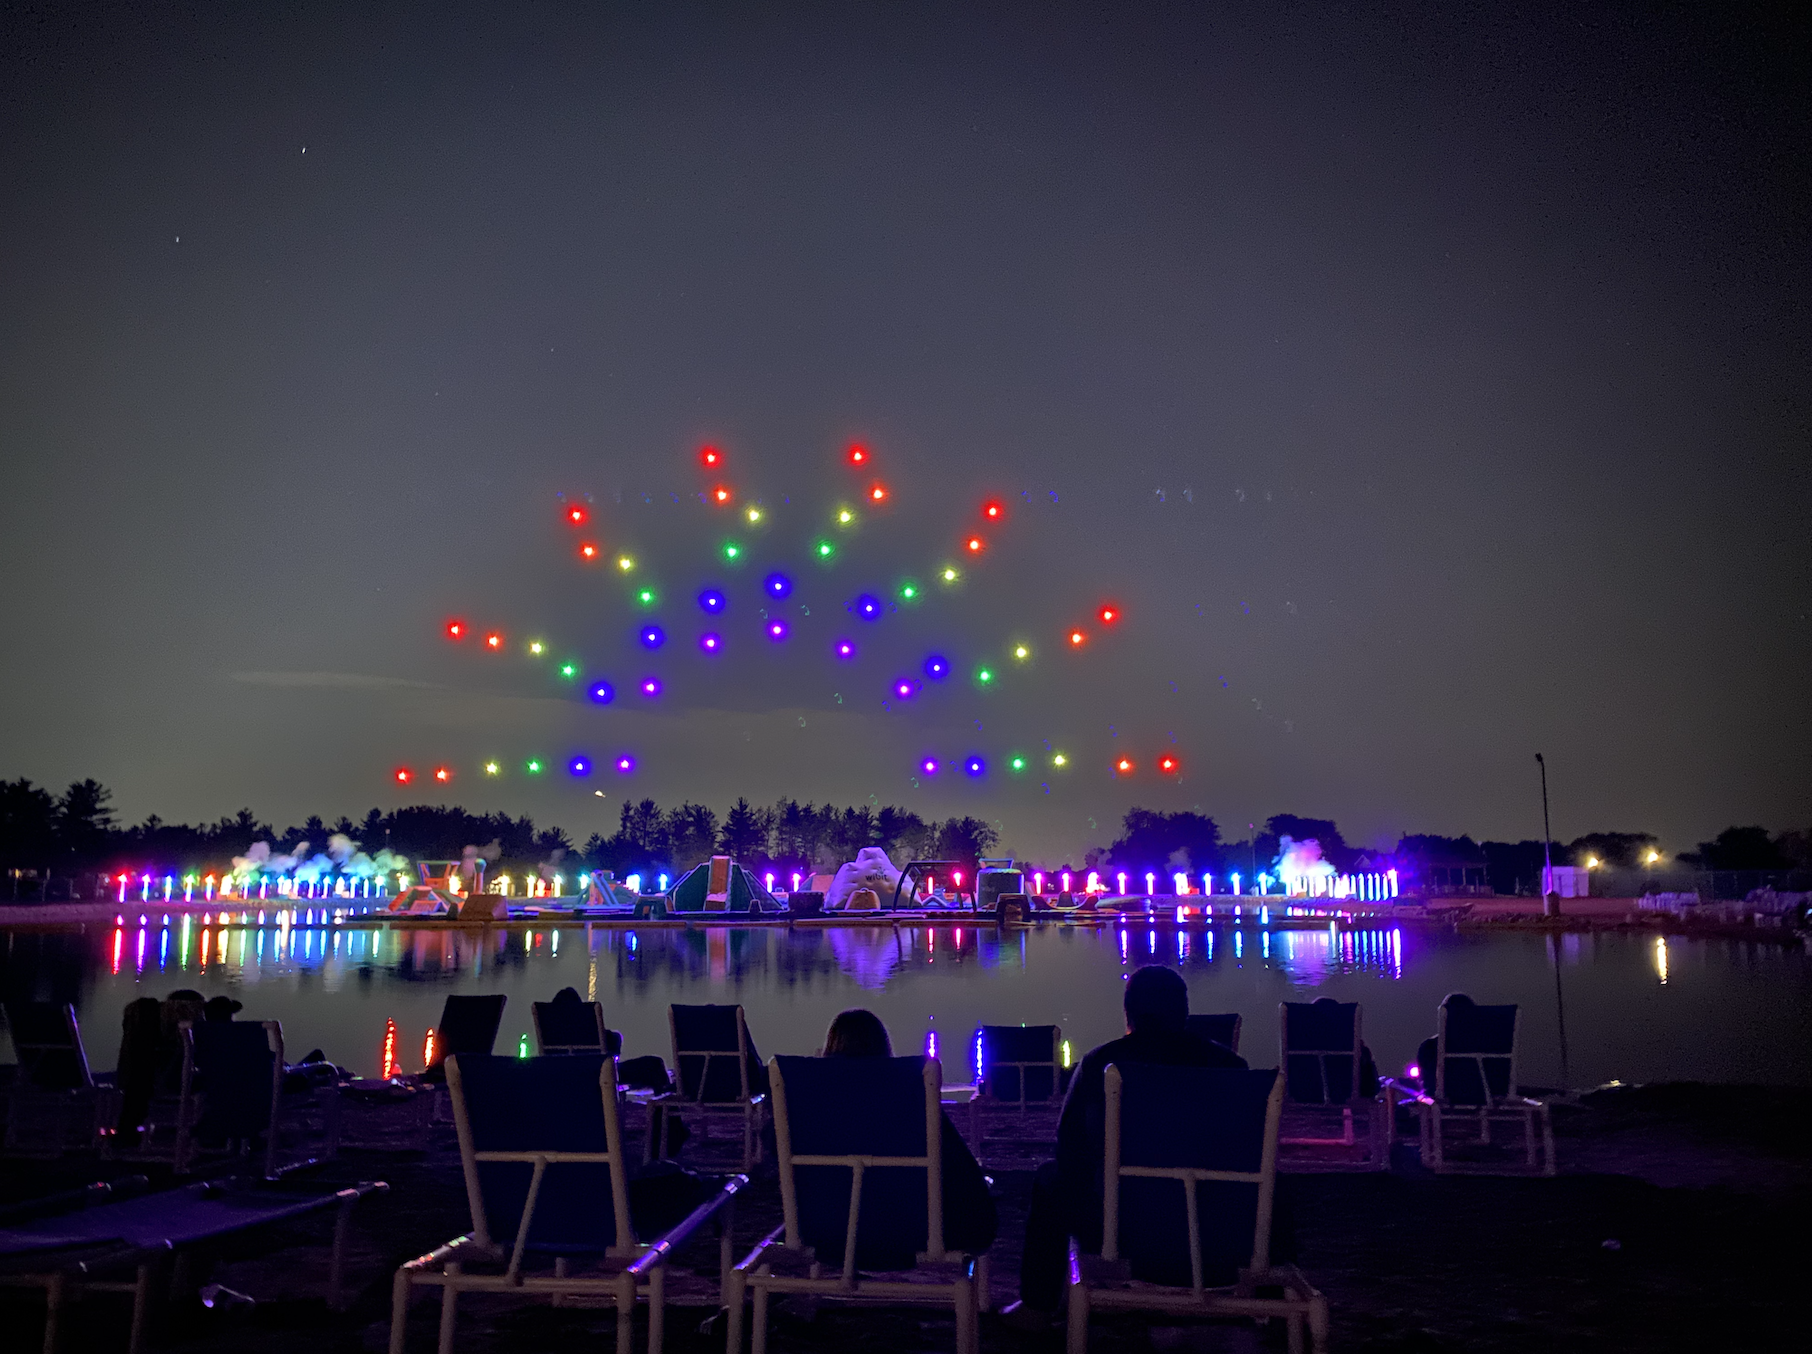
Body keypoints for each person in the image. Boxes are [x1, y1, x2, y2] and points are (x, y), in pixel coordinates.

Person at [1008, 966, 1247, 1320]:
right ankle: (1272, 1302)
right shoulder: (1230, 1067)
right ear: (1184, 1012)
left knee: (1050, 1179)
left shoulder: (1101, 1064)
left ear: (1128, 1013)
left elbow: (1070, 1149)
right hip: (1217, 1222)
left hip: (1121, 1223)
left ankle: (1037, 1306)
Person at [820, 1008, 997, 1257]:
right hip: (909, 1229)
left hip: (829, 1228)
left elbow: (774, 1142)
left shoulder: (815, 1103)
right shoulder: (908, 1099)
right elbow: (957, 1163)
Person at [1414, 992, 1475, 1093]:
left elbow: (1427, 1082)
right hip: (1485, 1098)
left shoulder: (1429, 1047)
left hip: (1443, 1101)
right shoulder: (1491, 1045)